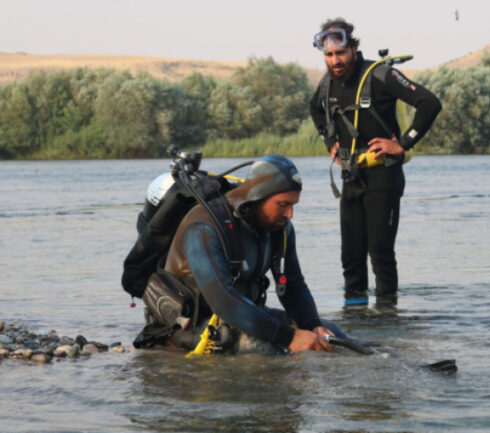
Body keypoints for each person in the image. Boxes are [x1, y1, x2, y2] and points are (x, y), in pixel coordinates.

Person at [137, 154, 339, 354]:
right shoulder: (203, 228)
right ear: (258, 196)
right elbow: (223, 301)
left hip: (241, 318)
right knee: (265, 350)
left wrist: (312, 325)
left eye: (293, 205)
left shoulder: (280, 228)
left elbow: (293, 285)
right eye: (283, 205)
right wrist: (290, 337)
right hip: (189, 326)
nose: (290, 214)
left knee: (332, 336)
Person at [309, 18, 442, 305]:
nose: (335, 60)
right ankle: (355, 321)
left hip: (384, 175)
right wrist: (330, 142)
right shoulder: (327, 84)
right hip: (351, 176)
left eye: (340, 53)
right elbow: (315, 111)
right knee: (350, 259)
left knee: (380, 253)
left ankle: (386, 319)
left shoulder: (380, 75)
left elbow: (430, 103)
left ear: (354, 48)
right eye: (329, 55)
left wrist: (402, 144)